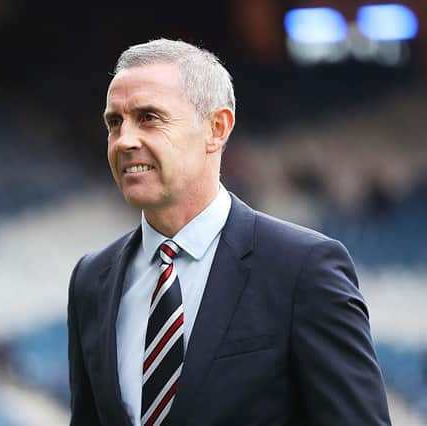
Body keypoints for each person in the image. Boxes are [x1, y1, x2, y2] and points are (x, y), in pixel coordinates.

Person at [67, 38, 390, 426]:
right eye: (114, 123)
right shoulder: (91, 280)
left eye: (149, 117)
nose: (125, 140)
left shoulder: (303, 269)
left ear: (216, 128)